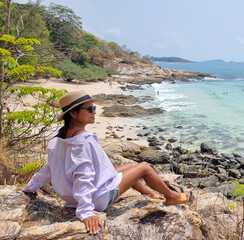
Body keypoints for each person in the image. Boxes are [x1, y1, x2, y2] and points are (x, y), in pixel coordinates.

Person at [22, 90, 189, 235]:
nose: (94, 112)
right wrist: (86, 211)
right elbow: (83, 176)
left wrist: (31, 187)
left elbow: (49, 168)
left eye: (94, 108)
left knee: (128, 167)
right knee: (144, 167)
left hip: (71, 196)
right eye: (90, 109)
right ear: (73, 113)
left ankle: (148, 193)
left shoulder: (57, 140)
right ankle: (171, 196)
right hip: (97, 199)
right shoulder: (83, 141)